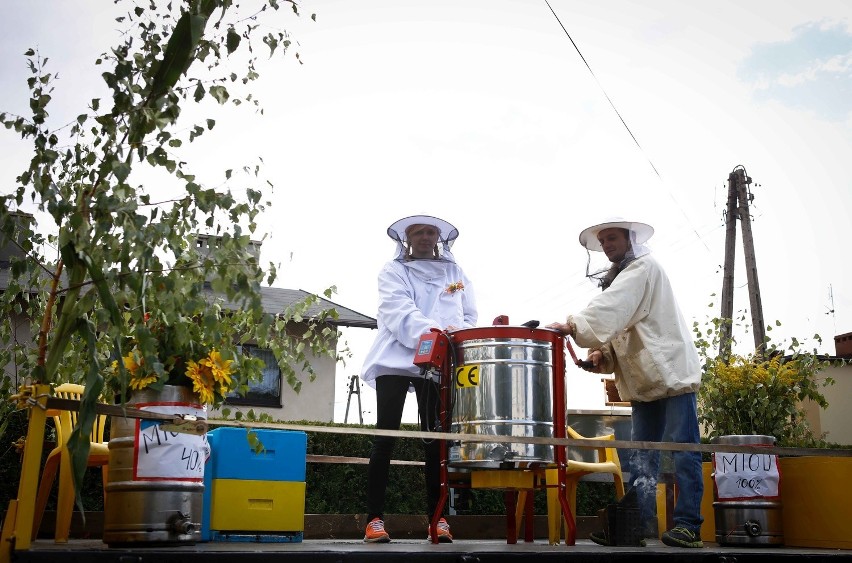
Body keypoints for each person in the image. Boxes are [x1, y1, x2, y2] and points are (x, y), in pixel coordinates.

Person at [547, 217, 704, 549]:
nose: (606, 245)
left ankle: (689, 525)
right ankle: (636, 525)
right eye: (602, 241)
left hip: (672, 373)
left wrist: (572, 326)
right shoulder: (619, 277)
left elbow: (615, 308)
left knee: (683, 450)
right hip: (646, 378)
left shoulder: (642, 269)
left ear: (630, 239)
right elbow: (621, 325)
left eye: (612, 238)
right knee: (643, 456)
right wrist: (600, 354)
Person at [360, 214, 478, 544]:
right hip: (395, 355)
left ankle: (438, 519)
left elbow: (468, 313)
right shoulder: (393, 270)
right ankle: (374, 520)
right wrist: (436, 332)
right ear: (407, 238)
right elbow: (398, 312)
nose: (425, 237)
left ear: (439, 237)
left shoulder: (455, 272)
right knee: (386, 436)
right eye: (419, 232)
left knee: (435, 440)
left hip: (438, 358)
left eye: (431, 232)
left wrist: (457, 336)